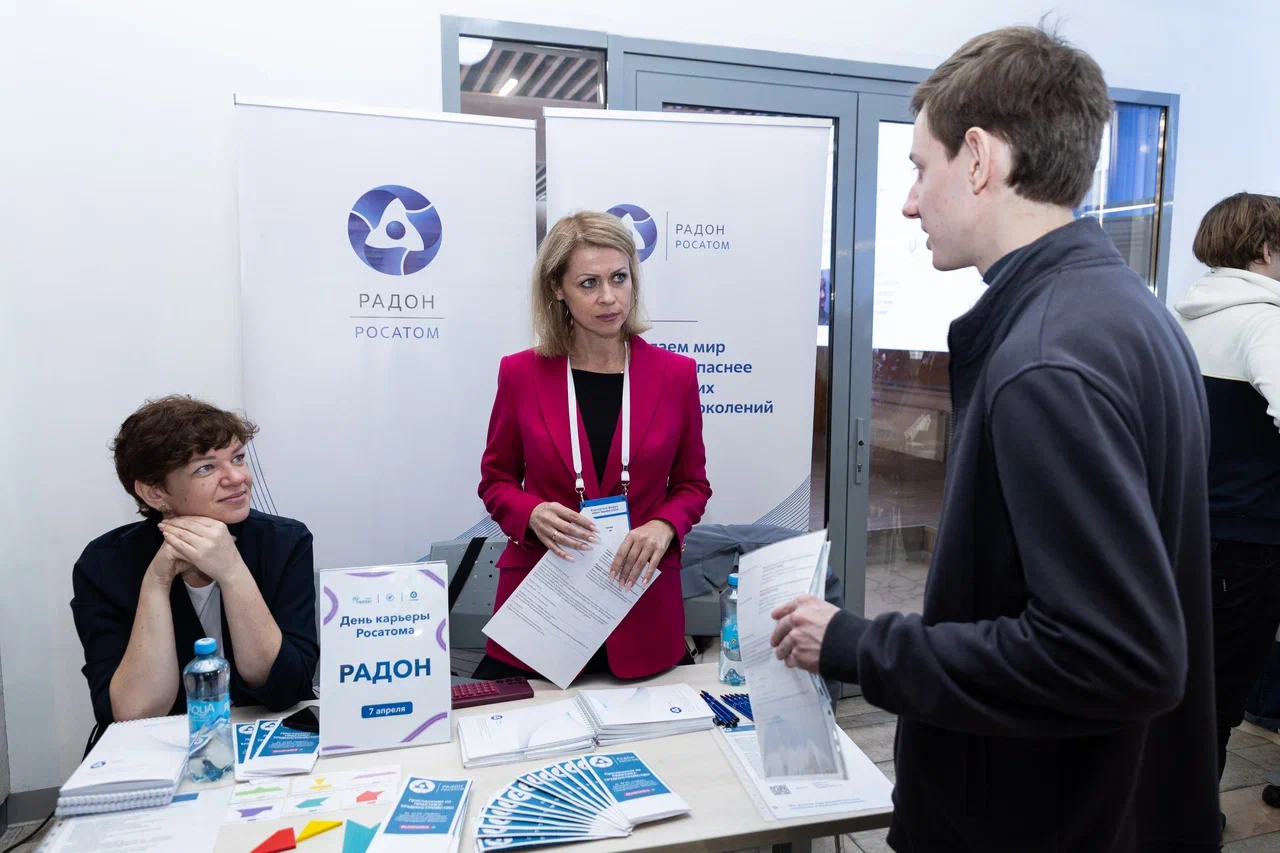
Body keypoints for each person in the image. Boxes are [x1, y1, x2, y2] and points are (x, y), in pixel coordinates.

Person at [769, 26, 1218, 852]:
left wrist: (861, 645)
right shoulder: (1129, 313)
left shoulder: (1045, 360)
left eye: (920, 167)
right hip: (1121, 804)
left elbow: (1116, 655)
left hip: (1036, 821)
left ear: (977, 158)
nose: (909, 202)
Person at [476, 210, 711, 682]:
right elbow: (496, 481)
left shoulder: (676, 375)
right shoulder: (520, 374)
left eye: (619, 278)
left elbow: (692, 484)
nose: (608, 297)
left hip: (642, 611)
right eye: (589, 283)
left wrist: (665, 525)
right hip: (545, 608)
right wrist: (531, 513)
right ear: (557, 289)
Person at [71, 396, 318, 728]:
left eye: (238, 458)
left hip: (271, 736)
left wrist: (233, 572)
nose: (237, 477)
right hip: (163, 746)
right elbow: (134, 714)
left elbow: (288, 688)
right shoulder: (105, 563)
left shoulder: (284, 542)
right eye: (206, 467)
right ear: (155, 493)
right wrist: (156, 582)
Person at [1174, 192, 1280, 785]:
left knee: (1189, 686)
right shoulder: (1265, 322)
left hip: (1188, 533)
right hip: (1248, 546)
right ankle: (1185, 819)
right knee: (1216, 699)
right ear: (1264, 250)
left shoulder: (1186, 315)